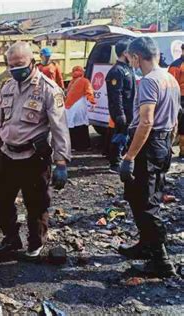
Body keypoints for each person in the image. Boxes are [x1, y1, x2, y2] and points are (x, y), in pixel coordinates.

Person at [0, 42, 71, 259]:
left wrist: (61, 162)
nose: (15, 70)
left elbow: (60, 128)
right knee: (0, 199)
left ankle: (35, 242)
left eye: (20, 65)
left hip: (34, 157)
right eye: (11, 66)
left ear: (32, 61)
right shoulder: (8, 87)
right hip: (8, 155)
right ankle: (11, 239)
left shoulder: (49, 89)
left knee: (36, 204)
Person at [118, 37, 180, 278]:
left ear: (136, 57)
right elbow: (175, 119)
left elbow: (146, 121)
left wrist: (129, 157)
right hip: (161, 143)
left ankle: (161, 261)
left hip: (148, 144)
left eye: (129, 58)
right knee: (140, 196)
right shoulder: (170, 79)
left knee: (146, 203)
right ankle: (145, 245)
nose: (129, 61)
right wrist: (167, 145)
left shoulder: (149, 82)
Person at [106, 39, 136, 172]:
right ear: (125, 53)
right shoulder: (117, 71)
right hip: (121, 111)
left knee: (125, 136)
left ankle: (121, 158)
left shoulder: (127, 69)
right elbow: (115, 95)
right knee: (119, 136)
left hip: (129, 110)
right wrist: (119, 114)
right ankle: (114, 163)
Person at [65, 66, 96, 151]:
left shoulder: (72, 81)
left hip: (69, 107)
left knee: (71, 126)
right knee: (82, 124)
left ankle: (72, 146)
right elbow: (89, 92)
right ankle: (84, 145)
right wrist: (92, 102)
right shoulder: (85, 81)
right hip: (80, 105)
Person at [168, 43, 184, 157]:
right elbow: (171, 85)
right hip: (180, 99)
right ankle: (179, 150)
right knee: (178, 126)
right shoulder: (176, 66)